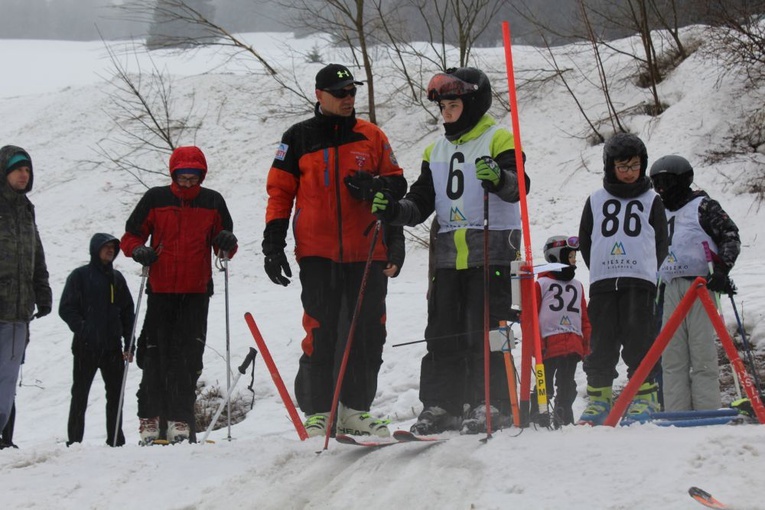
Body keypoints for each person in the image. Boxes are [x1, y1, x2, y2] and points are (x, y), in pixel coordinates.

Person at [372, 67, 530, 435]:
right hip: (447, 258)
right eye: (442, 106)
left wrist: (501, 178)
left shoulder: (499, 139)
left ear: (473, 104)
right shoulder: (436, 149)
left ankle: (492, 401)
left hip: (491, 252)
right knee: (442, 332)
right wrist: (395, 211)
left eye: (453, 104)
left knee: (486, 329)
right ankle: (442, 404)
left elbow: (518, 187)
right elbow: (422, 199)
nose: (446, 112)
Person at [262, 63, 407, 438]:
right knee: (321, 330)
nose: (348, 99)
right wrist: (273, 242)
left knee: (368, 331)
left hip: (367, 249)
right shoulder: (297, 137)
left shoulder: (371, 135)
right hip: (317, 251)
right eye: (340, 93)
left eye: (352, 92)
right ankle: (320, 410)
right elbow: (280, 192)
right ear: (319, 95)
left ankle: (357, 408)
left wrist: (374, 188)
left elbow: (397, 185)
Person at [121, 146, 238, 445]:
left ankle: (180, 419)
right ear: (173, 174)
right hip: (160, 290)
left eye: (193, 178)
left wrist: (226, 242)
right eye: (182, 177)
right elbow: (131, 235)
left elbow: (225, 243)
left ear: (201, 176)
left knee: (187, 358)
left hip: (196, 292)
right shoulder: (155, 198)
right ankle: (151, 418)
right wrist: (138, 250)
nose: (187, 183)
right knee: (154, 355)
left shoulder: (213, 201)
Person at [577, 133, 668, 425]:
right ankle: (599, 399)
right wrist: (603, 268)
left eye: (635, 166)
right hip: (604, 280)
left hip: (638, 280)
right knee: (601, 342)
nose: (630, 173)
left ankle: (645, 397)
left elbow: (661, 243)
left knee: (639, 338)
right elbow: (586, 240)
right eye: (622, 167)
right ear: (610, 166)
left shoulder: (653, 199)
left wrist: (645, 269)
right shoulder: (595, 199)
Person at [650, 155, 740, 411]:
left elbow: (730, 235)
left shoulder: (703, 205)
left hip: (700, 285)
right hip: (669, 287)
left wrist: (723, 267)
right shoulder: (658, 210)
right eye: (657, 184)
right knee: (672, 355)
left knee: (701, 353)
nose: (661, 189)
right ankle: (677, 412)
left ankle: (706, 410)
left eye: (666, 182)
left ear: (682, 180)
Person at [59, 233, 136, 447]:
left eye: (113, 247)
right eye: (106, 247)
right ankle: (74, 441)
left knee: (115, 395)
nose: (110, 250)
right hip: (86, 346)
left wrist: (130, 343)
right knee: (80, 393)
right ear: (95, 249)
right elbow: (66, 308)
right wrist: (84, 329)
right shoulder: (80, 276)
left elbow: (128, 313)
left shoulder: (117, 278)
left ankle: (115, 440)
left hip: (113, 347)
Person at [0, 146, 52, 449]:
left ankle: (4, 435)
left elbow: (36, 252)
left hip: (18, 310)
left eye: (27, 169)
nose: (24, 174)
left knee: (8, 376)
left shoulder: (26, 208)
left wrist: (42, 291)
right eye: (17, 168)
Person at [531, 236, 591, 427]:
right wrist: (536, 344)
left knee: (567, 384)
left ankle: (563, 414)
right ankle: (537, 415)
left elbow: (584, 318)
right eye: (571, 255)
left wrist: (585, 344)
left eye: (574, 256)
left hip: (572, 344)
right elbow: (531, 318)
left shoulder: (577, 286)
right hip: (548, 345)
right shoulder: (541, 284)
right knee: (544, 383)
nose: (574, 260)